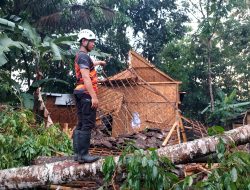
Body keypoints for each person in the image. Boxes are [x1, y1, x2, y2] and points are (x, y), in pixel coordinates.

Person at [73, 29, 106, 163]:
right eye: (91, 41)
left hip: (79, 91)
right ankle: (84, 155)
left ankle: (77, 155)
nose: (93, 44)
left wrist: (99, 63)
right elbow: (86, 77)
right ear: (84, 41)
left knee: (81, 123)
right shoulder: (84, 56)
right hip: (86, 93)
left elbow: (88, 67)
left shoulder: (80, 55)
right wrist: (94, 97)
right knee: (87, 124)